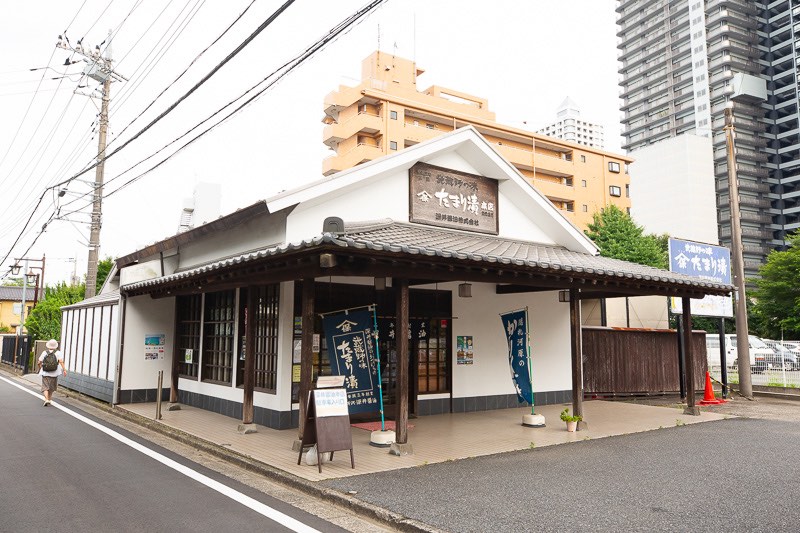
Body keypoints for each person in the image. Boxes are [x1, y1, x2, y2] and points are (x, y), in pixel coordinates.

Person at [38, 339, 66, 406]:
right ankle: (49, 399)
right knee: (51, 387)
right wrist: (64, 370)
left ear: (48, 345)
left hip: (45, 372)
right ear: (56, 346)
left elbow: (39, 361)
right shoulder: (58, 352)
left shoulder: (44, 352)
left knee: (45, 387)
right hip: (55, 372)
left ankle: (47, 399)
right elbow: (61, 362)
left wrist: (40, 367)